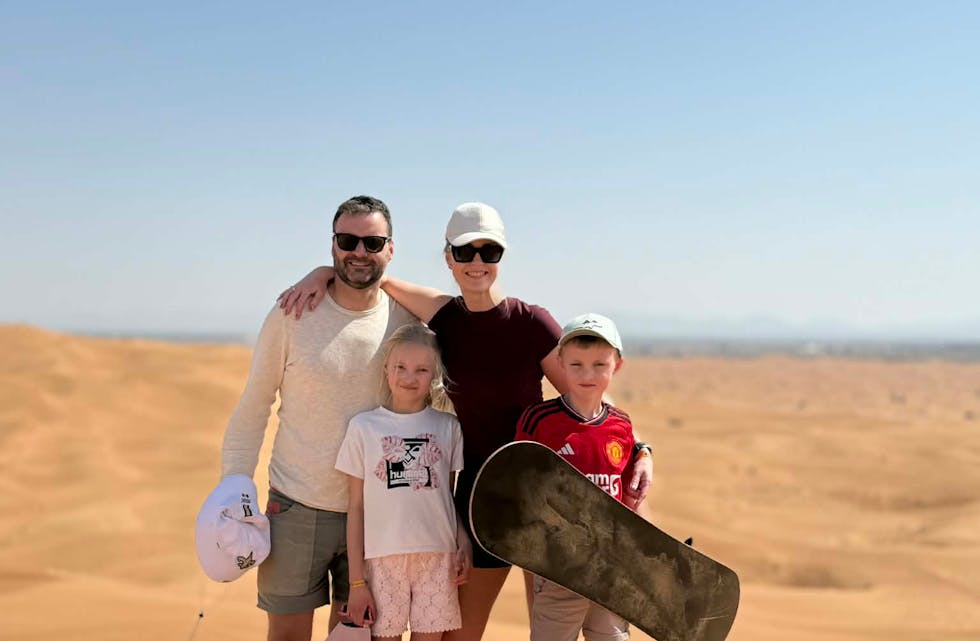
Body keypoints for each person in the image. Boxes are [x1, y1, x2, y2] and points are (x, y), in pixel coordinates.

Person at [278, 202, 653, 641]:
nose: (477, 262)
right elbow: (371, 272)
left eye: (488, 251)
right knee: (460, 636)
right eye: (465, 251)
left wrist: (641, 450)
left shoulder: (531, 322)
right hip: (477, 501)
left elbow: (588, 397)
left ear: (500, 257)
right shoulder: (445, 318)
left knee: (553, 632)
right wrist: (323, 272)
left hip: (543, 498)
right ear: (449, 258)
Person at [221, 195, 416, 641]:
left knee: (360, 639)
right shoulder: (292, 314)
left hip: (377, 515)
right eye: (348, 240)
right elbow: (254, 404)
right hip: (294, 506)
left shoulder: (409, 322)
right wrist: (233, 488)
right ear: (332, 245)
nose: (359, 252)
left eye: (372, 242)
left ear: (390, 248)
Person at [336, 324, 471, 640]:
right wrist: (357, 583)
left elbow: (445, 497)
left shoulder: (448, 427)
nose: (410, 377)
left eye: (421, 369)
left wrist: (462, 540)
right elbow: (355, 508)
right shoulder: (364, 428)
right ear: (386, 369)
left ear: (434, 375)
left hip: (439, 558)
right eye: (401, 367)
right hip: (383, 560)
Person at [515, 313, 644, 641]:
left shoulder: (622, 424)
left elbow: (626, 497)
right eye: (576, 365)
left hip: (611, 566)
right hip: (560, 567)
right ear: (559, 363)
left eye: (600, 365)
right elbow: (519, 484)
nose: (588, 374)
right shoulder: (539, 420)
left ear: (618, 364)